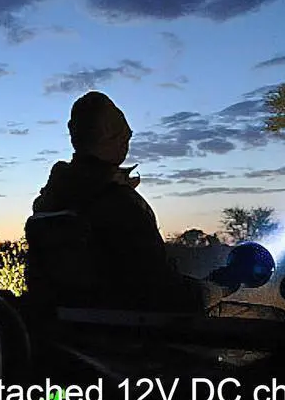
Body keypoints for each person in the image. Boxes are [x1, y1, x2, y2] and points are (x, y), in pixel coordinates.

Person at [24, 91, 238, 313]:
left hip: (59, 330)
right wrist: (216, 289)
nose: (127, 141)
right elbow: (161, 294)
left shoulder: (49, 204)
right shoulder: (120, 205)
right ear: (111, 137)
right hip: (118, 331)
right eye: (123, 135)